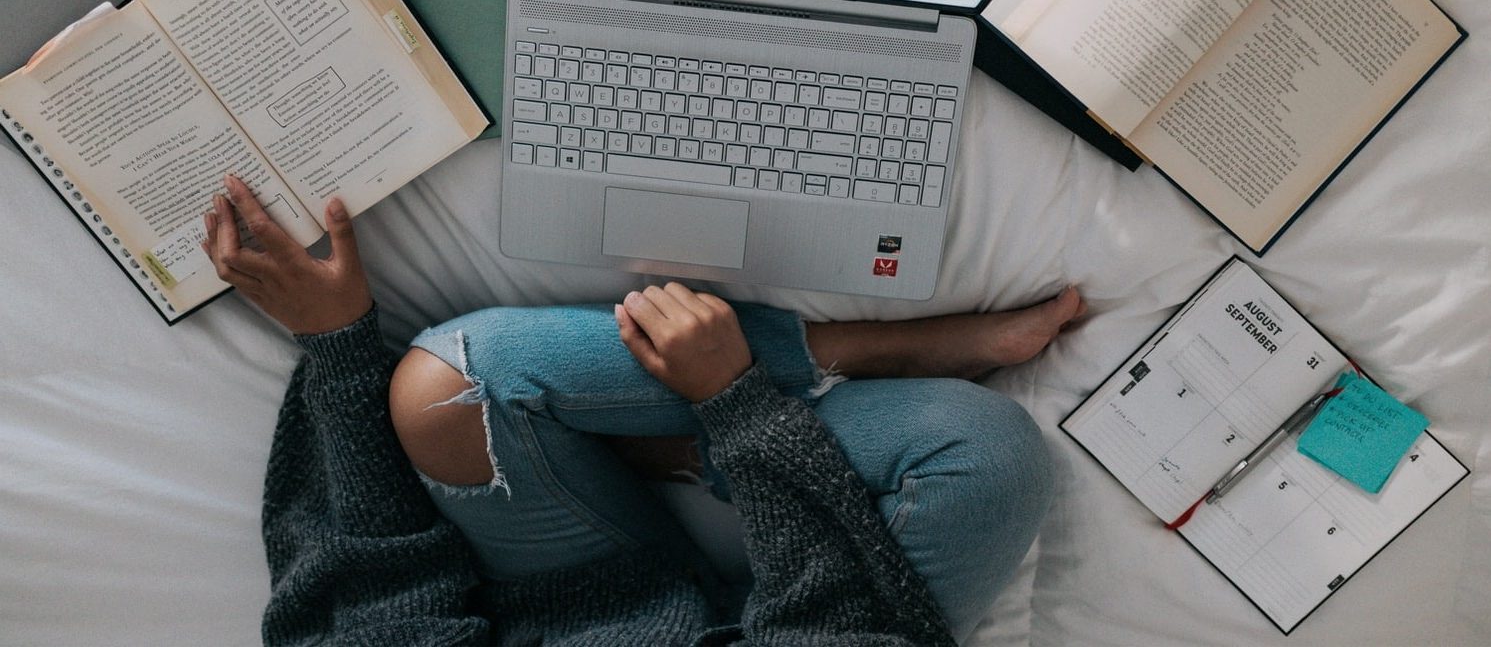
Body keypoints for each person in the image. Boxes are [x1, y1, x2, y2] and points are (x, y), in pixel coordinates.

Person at [204, 174, 1084, 645]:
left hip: (579, 602)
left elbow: (377, 595)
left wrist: (340, 342)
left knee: (448, 385)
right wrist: (733, 407)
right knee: (987, 450)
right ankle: (696, 444)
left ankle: (839, 353)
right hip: (825, 628)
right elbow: (832, 625)